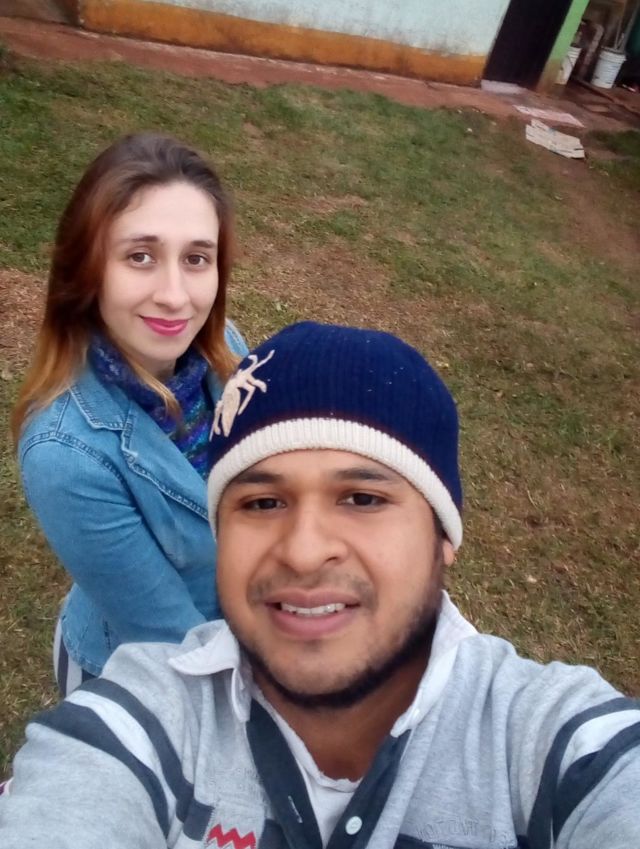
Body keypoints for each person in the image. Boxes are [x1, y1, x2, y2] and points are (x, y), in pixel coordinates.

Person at [1, 321, 638, 848]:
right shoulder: (140, 723)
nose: (304, 552)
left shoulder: (546, 746)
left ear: (444, 533)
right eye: (261, 503)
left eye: (362, 498)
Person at [10, 132, 248, 696]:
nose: (175, 296)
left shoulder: (226, 353)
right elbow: (175, 643)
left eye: (196, 259)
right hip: (145, 681)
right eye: (140, 256)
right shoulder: (66, 454)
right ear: (87, 270)